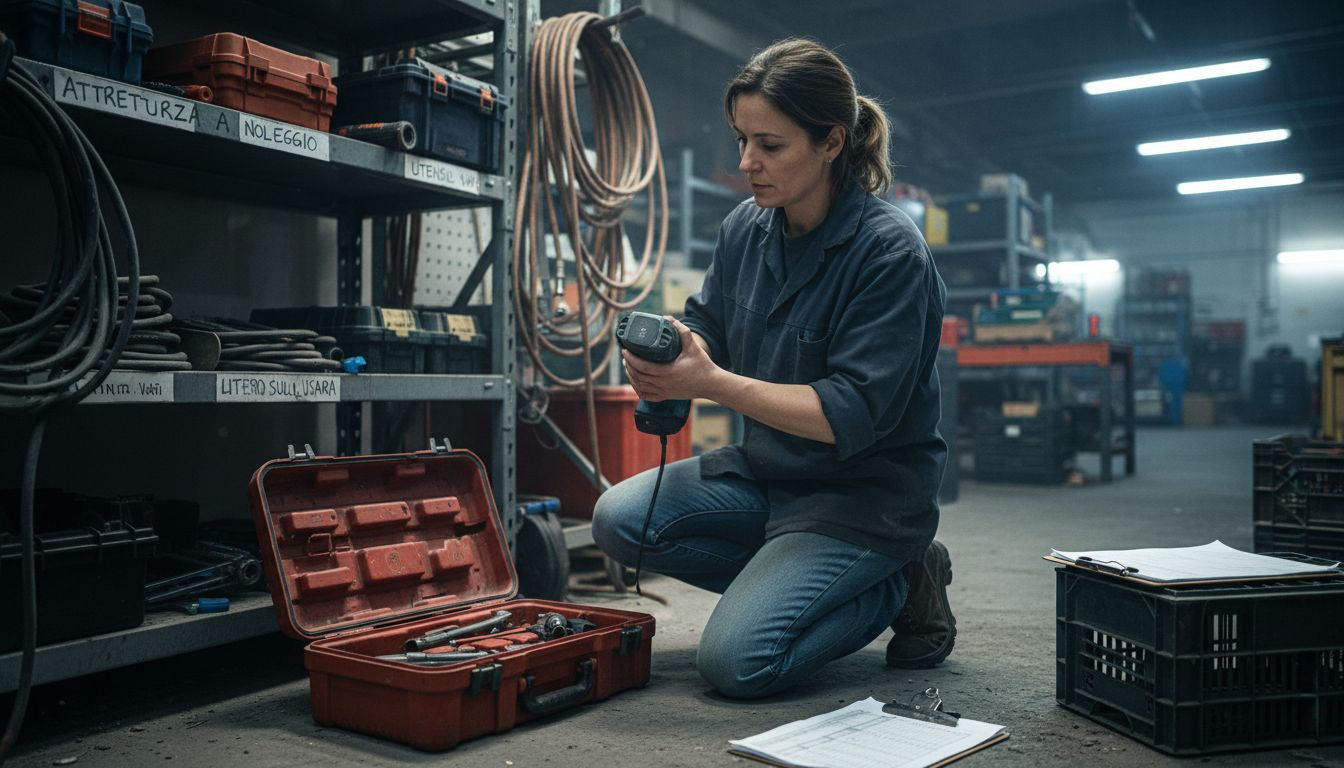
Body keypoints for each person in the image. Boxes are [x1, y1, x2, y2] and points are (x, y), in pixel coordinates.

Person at [592, 38, 954, 700]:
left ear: (831, 143)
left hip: (861, 496)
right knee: (619, 519)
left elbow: (851, 415)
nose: (746, 163)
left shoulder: (889, 256)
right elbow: (710, 327)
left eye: (770, 145)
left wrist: (711, 383)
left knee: (737, 663)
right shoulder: (745, 229)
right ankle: (793, 578)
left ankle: (899, 581)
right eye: (741, 140)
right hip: (769, 473)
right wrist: (674, 349)